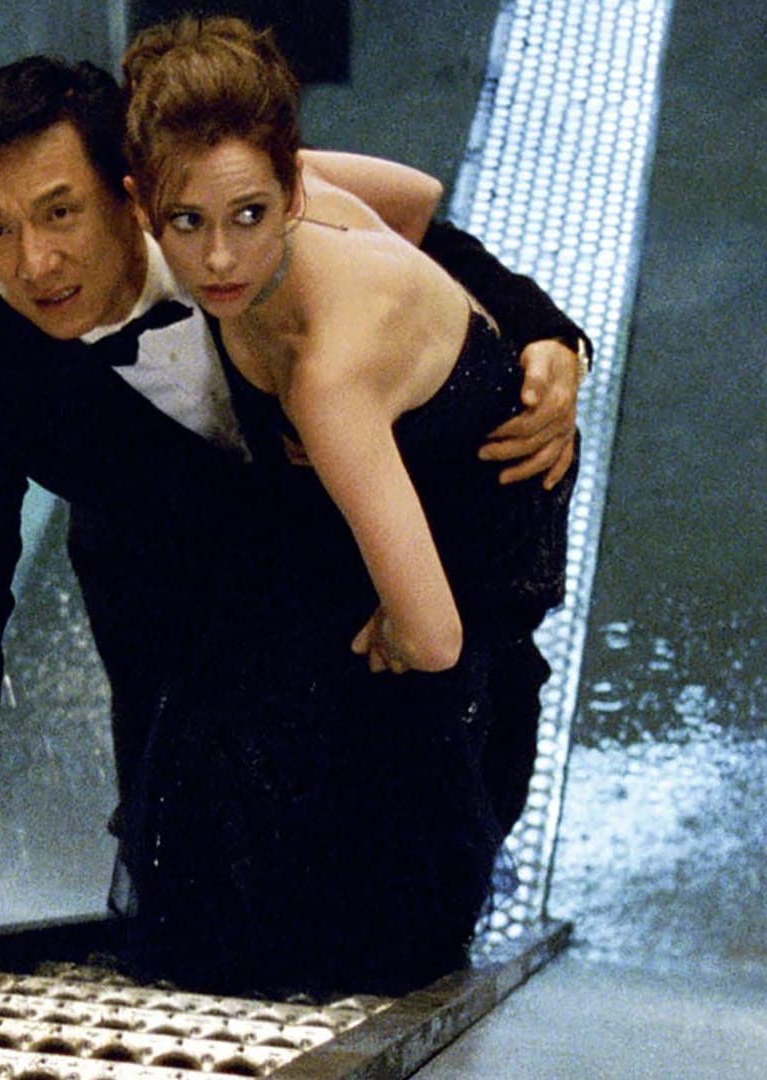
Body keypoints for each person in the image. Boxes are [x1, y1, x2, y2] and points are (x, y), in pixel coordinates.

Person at [0, 53, 589, 954]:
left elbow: (405, 238)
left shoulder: (217, 215)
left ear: (133, 193)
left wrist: (544, 336)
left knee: (415, 893)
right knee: (207, 918)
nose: (35, 262)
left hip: (394, 586)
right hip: (184, 624)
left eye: (60, 212)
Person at [109, 15, 579, 994]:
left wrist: (392, 620)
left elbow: (436, 638)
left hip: (479, 545)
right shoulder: (288, 193)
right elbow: (418, 197)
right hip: (399, 479)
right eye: (188, 223)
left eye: (249, 216)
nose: (221, 258)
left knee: (332, 900)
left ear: (289, 191)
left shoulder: (330, 380)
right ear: (144, 208)